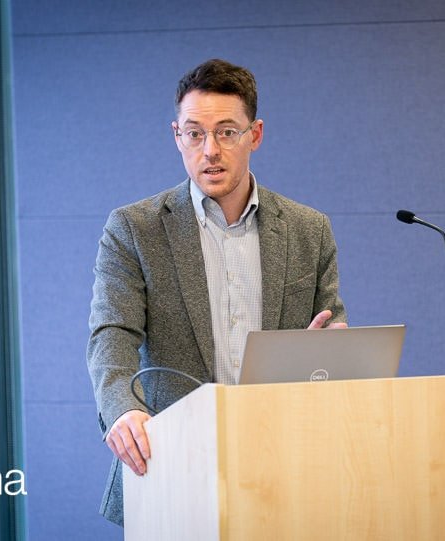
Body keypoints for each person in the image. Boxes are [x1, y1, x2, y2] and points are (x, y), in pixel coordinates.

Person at [87, 58, 347, 526]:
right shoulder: (135, 229)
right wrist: (122, 409)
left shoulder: (309, 230)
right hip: (170, 467)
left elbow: (333, 331)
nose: (210, 150)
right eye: (194, 133)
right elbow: (112, 333)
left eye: (227, 132)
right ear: (176, 136)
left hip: (284, 470)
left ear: (256, 135)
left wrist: (333, 350)